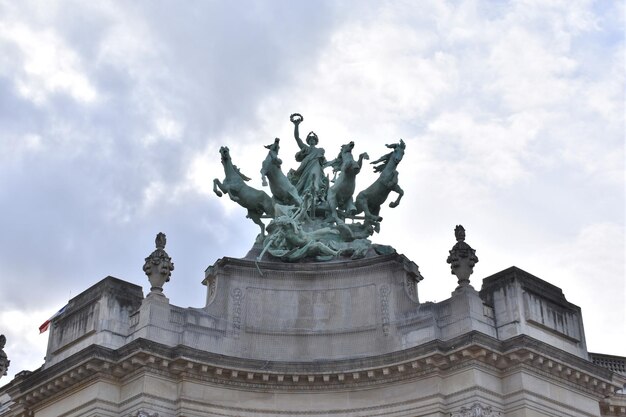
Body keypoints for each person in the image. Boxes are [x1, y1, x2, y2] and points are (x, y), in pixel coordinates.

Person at [288, 113, 328, 204]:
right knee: (306, 180)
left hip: (316, 165)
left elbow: (324, 162)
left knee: (314, 177)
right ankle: (306, 195)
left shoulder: (320, 150)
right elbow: (297, 138)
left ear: (316, 141)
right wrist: (296, 125)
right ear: (308, 141)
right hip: (306, 167)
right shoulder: (306, 148)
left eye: (313, 140)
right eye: (310, 140)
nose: (312, 141)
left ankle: (316, 194)